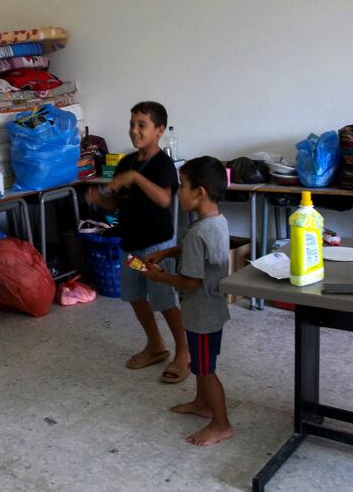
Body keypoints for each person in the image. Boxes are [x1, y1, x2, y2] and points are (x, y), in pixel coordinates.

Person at [85, 101, 189, 382]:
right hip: (131, 243)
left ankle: (184, 353)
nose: (134, 130)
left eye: (141, 125)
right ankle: (156, 345)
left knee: (164, 299)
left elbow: (165, 199)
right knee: (133, 295)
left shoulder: (163, 164)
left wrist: (135, 178)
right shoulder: (126, 162)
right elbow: (115, 202)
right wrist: (100, 200)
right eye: (132, 124)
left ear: (159, 130)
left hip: (156, 245)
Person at [142, 155, 233, 446]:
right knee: (201, 364)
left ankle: (221, 423)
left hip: (201, 314)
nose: (178, 192)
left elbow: (191, 282)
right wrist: (168, 253)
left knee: (206, 371)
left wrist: (160, 278)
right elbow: (198, 251)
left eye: (182, 186)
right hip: (213, 309)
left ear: (200, 192)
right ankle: (201, 404)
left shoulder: (197, 233)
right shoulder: (217, 221)